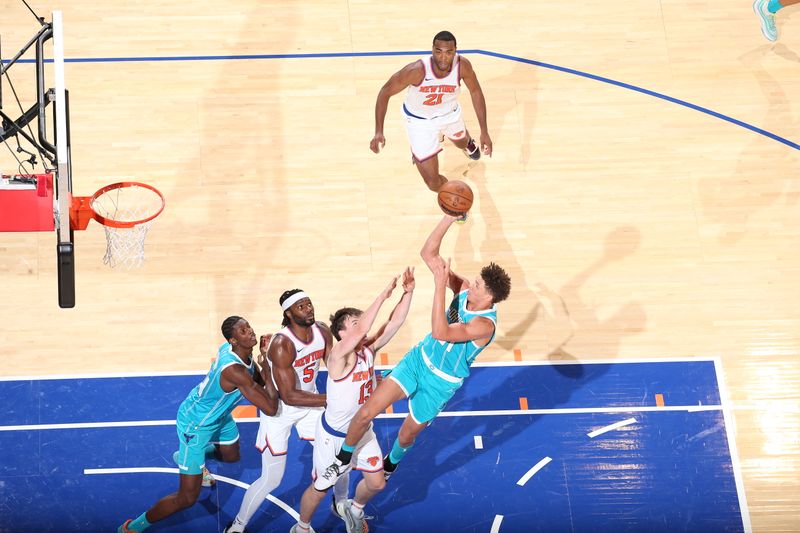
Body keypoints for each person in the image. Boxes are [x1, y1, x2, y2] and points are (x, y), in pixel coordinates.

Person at [315, 214, 511, 491]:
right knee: (365, 413)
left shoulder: (484, 325)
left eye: (478, 285)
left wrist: (440, 285)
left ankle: (390, 464)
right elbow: (428, 253)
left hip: (440, 383)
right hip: (418, 361)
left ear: (488, 298)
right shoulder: (465, 289)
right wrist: (449, 217)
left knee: (407, 436)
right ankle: (341, 459)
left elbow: (441, 332)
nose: (472, 284)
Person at [118, 316, 279, 533]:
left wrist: (263, 362)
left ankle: (192, 460)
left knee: (232, 455)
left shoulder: (235, 350)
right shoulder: (234, 371)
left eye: (248, 326)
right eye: (243, 331)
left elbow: (257, 380)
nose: (250, 331)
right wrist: (268, 362)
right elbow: (269, 406)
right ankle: (133, 527)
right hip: (196, 425)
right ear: (233, 340)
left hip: (218, 415)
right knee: (187, 498)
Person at [292, 268, 415, 533]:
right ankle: (302, 527)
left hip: (362, 432)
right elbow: (363, 329)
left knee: (377, 483)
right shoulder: (338, 356)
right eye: (356, 321)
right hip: (333, 437)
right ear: (344, 330)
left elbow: (394, 323)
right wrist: (383, 295)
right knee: (320, 489)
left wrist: (408, 292)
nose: (362, 323)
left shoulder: (368, 351)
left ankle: (354, 509)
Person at [225, 289, 331, 533]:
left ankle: (345, 507)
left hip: (311, 403)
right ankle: (238, 526)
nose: (309, 308)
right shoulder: (282, 344)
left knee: (338, 458)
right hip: (281, 411)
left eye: (309, 303)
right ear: (289, 312)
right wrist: (335, 400)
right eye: (301, 306)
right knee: (272, 479)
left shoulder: (322, 331)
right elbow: (290, 397)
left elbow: (334, 365)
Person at [369, 30, 492, 192]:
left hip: (450, 115)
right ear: (432, 49)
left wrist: (484, 131)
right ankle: (457, 207)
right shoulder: (416, 71)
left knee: (461, 142)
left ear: (456, 51)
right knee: (433, 183)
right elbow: (385, 92)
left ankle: (467, 143)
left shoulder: (463, 66)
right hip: (420, 122)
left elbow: (476, 92)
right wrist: (379, 131)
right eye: (438, 51)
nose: (443, 57)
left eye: (449, 52)